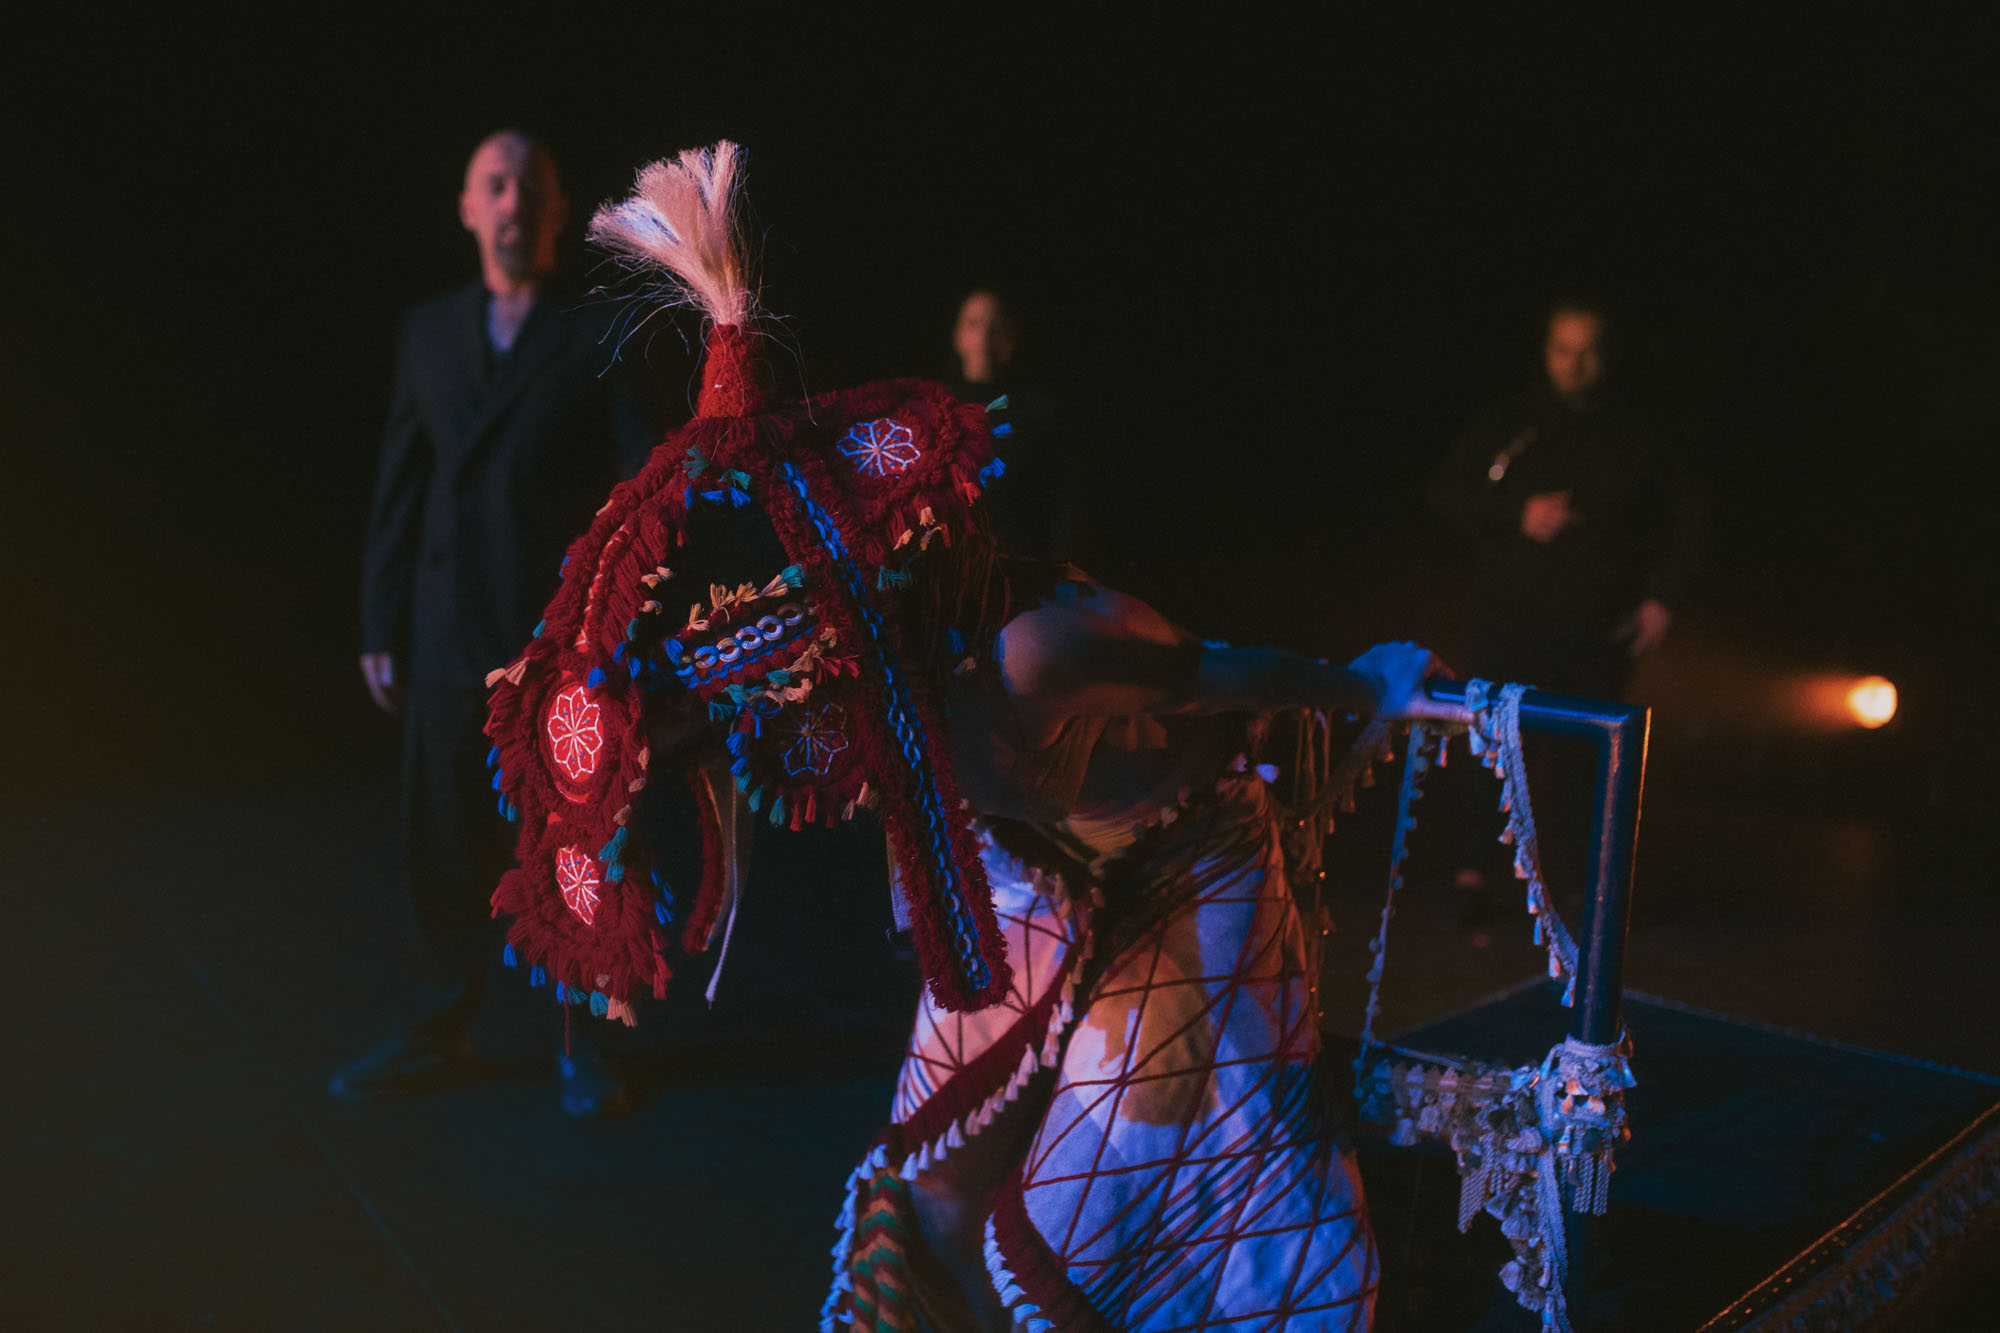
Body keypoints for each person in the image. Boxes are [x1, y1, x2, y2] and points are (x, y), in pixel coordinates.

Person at [480, 143, 1450, 1328]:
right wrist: (585, 721)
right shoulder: (837, 681)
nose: (784, 662)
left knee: (1097, 1212)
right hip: (1022, 868)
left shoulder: (1032, 649)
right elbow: (681, 714)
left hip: (1189, 858)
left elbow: (1220, 676)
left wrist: (1366, 685)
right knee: (928, 1183)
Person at [337, 130, 664, 1114]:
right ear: (469, 209)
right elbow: (402, 484)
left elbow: (637, 484)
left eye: (531, 186)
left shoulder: (592, 332)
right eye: (495, 184)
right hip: (442, 633)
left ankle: (589, 1047)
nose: (513, 200)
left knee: (575, 849)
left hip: (555, 639)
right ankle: (438, 1030)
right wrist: (379, 617)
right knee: (440, 845)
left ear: (556, 212)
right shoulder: (428, 332)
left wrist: (621, 615)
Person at [1428, 297, 1700, 902]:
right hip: (1511, 621)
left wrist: (1663, 599)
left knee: (1585, 762)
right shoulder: (1511, 423)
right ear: (1545, 352)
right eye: (1562, 350)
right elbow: (1448, 491)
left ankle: (1578, 893)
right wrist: (1516, 511)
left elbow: (1684, 518)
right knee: (1492, 744)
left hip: (1597, 629)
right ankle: (1473, 874)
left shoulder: (1637, 433)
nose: (1573, 365)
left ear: (1608, 356)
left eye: (1587, 352)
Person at [949, 289, 1077, 563]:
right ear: (957, 336)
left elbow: (1059, 500)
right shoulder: (938, 406)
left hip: (1020, 565)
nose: (984, 336)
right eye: (974, 323)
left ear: (1010, 337)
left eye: (995, 326)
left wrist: (1056, 565)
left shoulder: (1037, 411)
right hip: (952, 567)